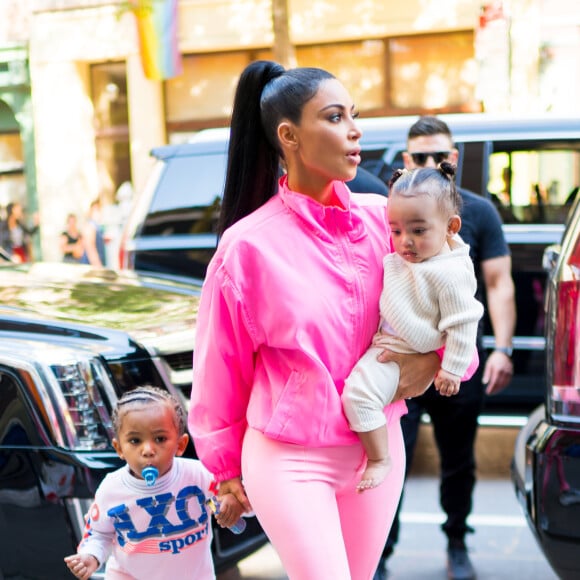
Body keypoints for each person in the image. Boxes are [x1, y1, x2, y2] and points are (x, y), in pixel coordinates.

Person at [188, 60, 441, 580]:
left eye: (354, 114)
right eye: (334, 116)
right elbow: (220, 371)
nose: (355, 129)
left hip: (378, 445)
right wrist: (224, 470)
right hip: (291, 459)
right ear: (290, 136)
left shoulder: (383, 220)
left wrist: (438, 359)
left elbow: (448, 299)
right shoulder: (248, 246)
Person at [374, 116, 516, 580]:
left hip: (457, 359)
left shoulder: (479, 212)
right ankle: (381, 555)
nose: (430, 164)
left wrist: (502, 349)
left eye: (439, 156)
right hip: (404, 362)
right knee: (393, 458)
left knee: (459, 459)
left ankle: (457, 541)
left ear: (452, 159)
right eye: (419, 157)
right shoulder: (392, 208)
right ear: (405, 160)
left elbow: (498, 285)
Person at [342, 163, 483, 492]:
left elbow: (462, 323)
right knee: (358, 397)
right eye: (396, 230)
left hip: (405, 352)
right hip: (387, 346)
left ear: (451, 227)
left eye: (418, 231)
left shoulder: (448, 272)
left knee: (358, 397)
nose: (405, 242)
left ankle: (379, 458)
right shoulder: (409, 258)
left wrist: (451, 367)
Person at [64, 385, 224, 580]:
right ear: (119, 448)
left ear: (180, 445)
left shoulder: (199, 475)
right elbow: (99, 534)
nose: (148, 450)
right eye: (135, 441)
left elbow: (238, 503)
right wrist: (91, 556)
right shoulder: (111, 489)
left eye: (160, 438)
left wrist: (232, 504)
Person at [80, 199, 107, 267]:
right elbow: (90, 248)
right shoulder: (90, 226)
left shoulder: (96, 226)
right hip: (91, 267)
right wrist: (99, 267)